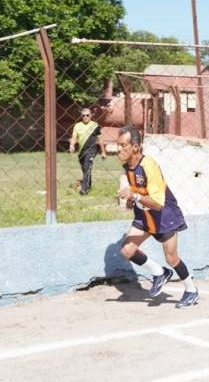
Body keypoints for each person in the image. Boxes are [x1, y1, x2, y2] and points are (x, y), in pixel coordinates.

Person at [115, 125, 199, 308]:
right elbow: (139, 188)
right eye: (118, 145)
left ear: (135, 147)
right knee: (127, 250)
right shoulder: (128, 166)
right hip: (144, 215)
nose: (118, 149)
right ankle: (159, 272)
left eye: (123, 146)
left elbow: (158, 202)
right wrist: (132, 198)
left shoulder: (149, 166)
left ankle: (191, 290)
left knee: (172, 258)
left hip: (164, 215)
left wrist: (135, 195)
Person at [68, 108, 106, 195]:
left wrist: (103, 152)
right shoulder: (77, 126)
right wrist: (72, 145)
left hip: (92, 149)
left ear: (91, 116)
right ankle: (88, 184)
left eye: (87, 115)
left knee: (87, 166)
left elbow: (100, 139)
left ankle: (84, 189)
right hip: (82, 151)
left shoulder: (95, 126)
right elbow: (74, 137)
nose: (85, 117)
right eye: (83, 115)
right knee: (85, 169)